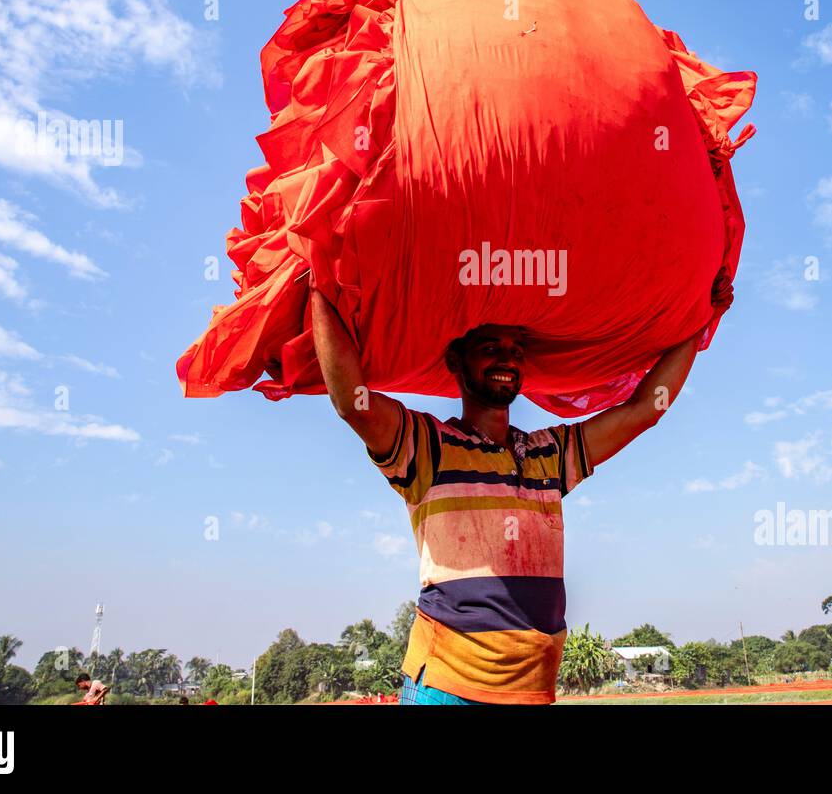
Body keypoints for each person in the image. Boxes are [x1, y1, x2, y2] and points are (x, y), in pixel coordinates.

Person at [311, 273, 733, 705]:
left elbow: (646, 409)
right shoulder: (427, 448)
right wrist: (321, 283)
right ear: (455, 361)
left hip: (533, 689)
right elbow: (351, 401)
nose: (506, 359)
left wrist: (701, 323)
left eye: (516, 350)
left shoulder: (549, 454)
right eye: (490, 348)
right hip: (447, 685)